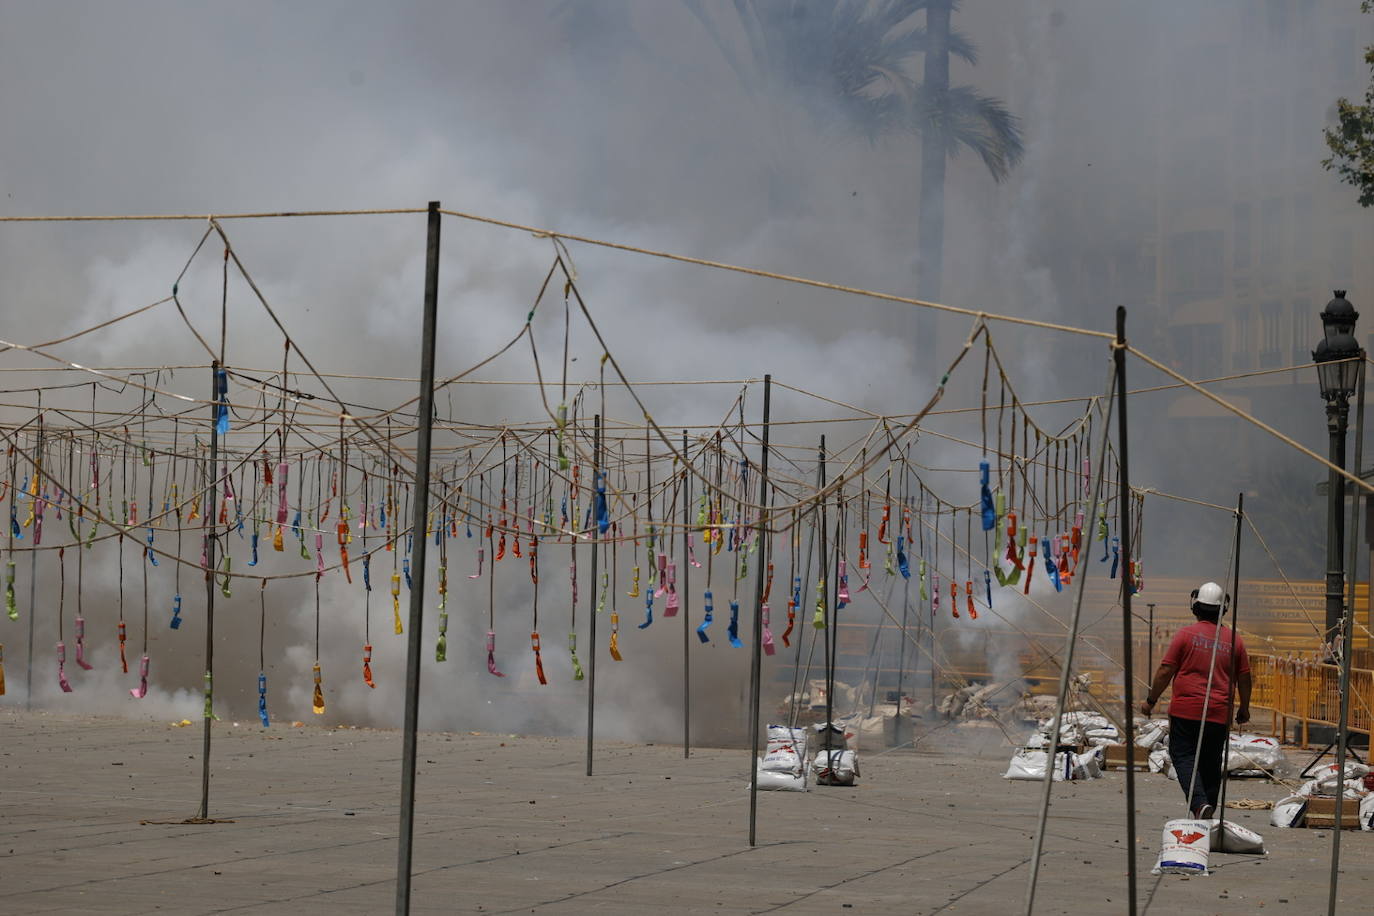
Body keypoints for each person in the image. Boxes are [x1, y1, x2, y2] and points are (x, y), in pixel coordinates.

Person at [1139, 581, 1251, 819]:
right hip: (1218, 714)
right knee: (1211, 764)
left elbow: (1165, 671)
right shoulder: (1235, 640)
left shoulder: (1185, 635)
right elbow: (1245, 678)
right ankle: (1207, 814)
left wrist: (1150, 701)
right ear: (1224, 609)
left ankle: (1200, 805)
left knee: (1183, 757)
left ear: (1195, 607)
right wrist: (1244, 709)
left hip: (1185, 712)